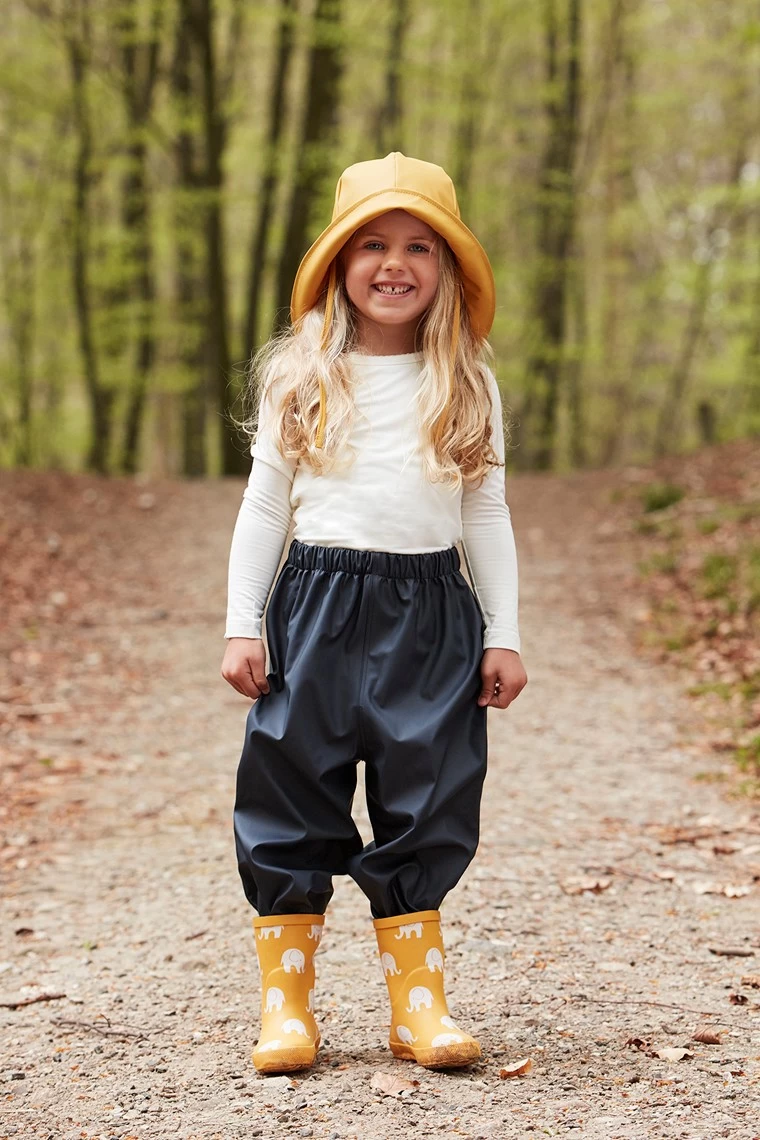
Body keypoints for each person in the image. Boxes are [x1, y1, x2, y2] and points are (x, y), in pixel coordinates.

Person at [221, 151, 528, 1076]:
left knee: (429, 791)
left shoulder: (467, 380)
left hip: (433, 613)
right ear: (339, 266)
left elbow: (487, 511)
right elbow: (265, 507)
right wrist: (244, 618)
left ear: (447, 270)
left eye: (419, 247)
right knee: (290, 786)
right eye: (373, 245)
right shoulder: (301, 377)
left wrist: (503, 630)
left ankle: (418, 1003)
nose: (395, 264)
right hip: (313, 603)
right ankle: (287, 1008)